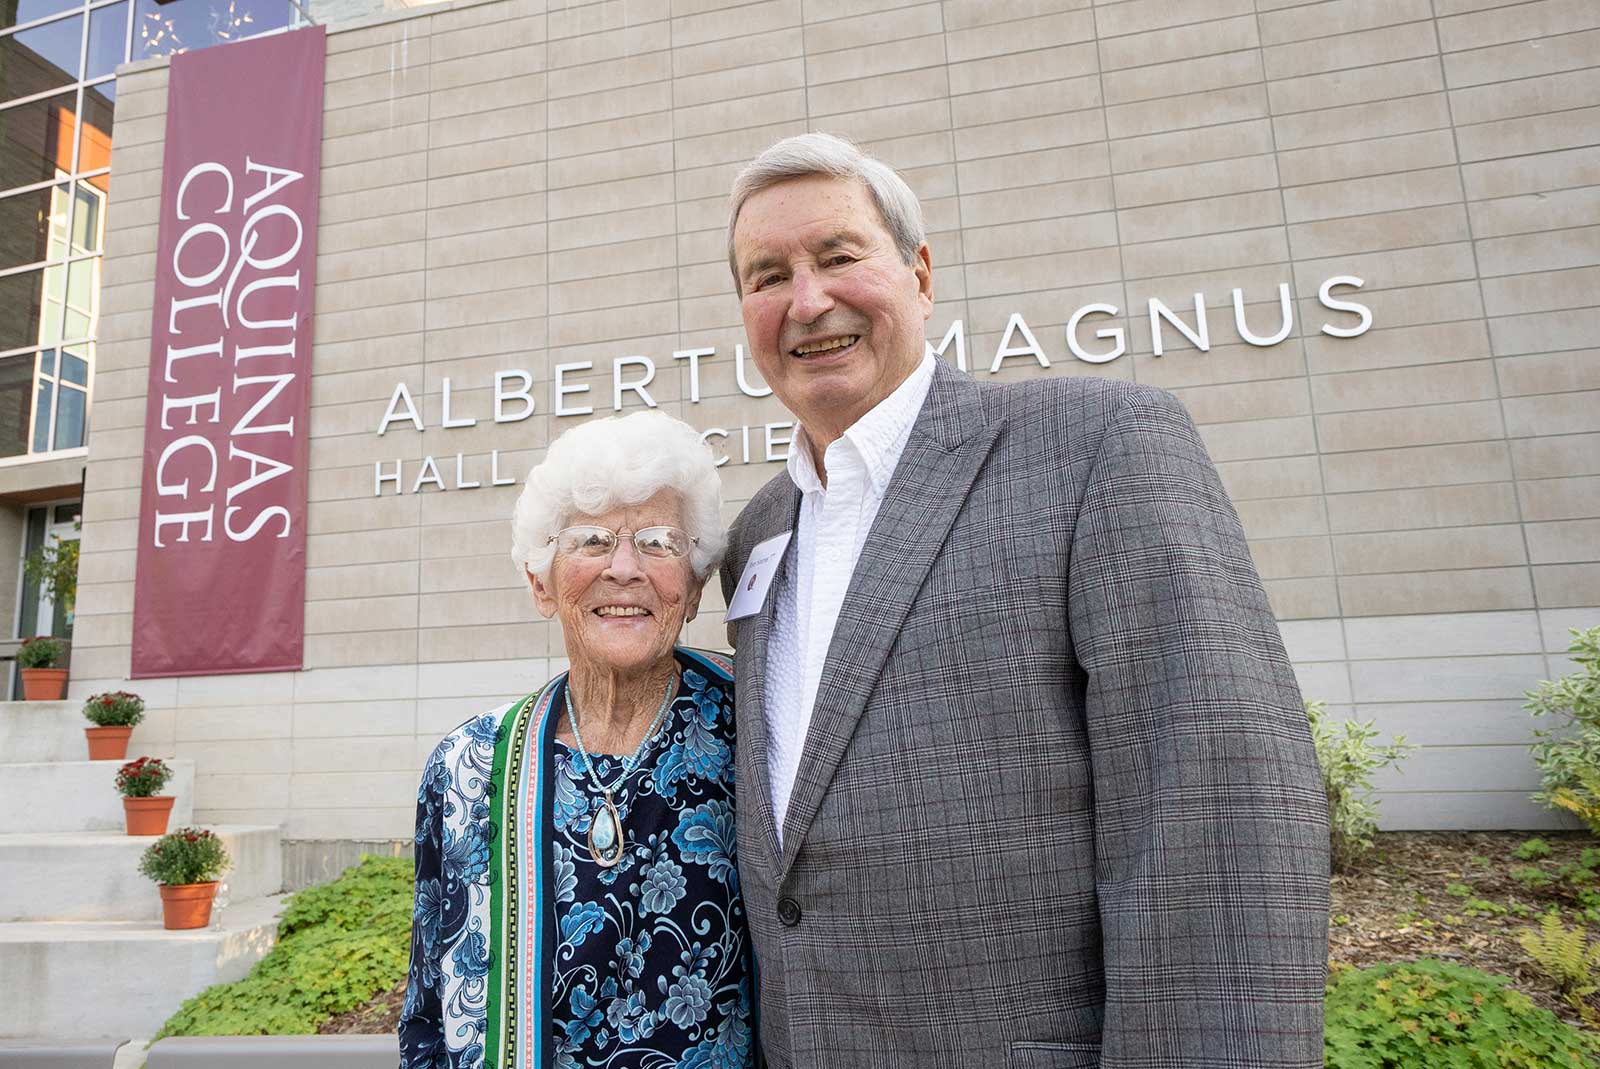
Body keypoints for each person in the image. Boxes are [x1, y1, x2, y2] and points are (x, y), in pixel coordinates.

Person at [718, 132, 1329, 1068]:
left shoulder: (1098, 447)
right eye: (768, 275)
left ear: (920, 275)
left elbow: (1216, 811)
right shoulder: (760, 532)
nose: (807, 300)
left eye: (839, 256)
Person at [400, 411, 754, 1069]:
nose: (625, 567)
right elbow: (427, 1017)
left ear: (696, 585)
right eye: (592, 540)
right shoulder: (466, 768)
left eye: (658, 541)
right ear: (542, 582)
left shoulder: (760, 733)